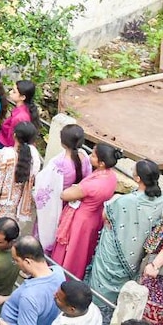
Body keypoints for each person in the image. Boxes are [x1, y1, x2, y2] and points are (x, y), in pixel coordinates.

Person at [85, 159, 163, 308]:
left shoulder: (123, 201)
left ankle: (96, 310)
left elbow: (106, 216)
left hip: (112, 254)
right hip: (136, 256)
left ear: (138, 178)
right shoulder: (160, 200)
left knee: (101, 285)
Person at [51, 144, 121, 279]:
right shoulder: (111, 176)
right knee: (82, 252)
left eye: (93, 156)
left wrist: (74, 187)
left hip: (79, 221)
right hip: (93, 218)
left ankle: (61, 276)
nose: (90, 157)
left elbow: (64, 195)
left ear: (101, 163)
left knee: (70, 252)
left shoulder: (92, 185)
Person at [0, 236, 65, 325]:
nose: (15, 264)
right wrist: (5, 299)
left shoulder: (29, 297)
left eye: (16, 260)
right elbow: (39, 303)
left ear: (27, 262)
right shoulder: (58, 272)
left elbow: (31, 301)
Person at [0, 122, 40, 244]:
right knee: (7, 229)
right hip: (16, 201)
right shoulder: (34, 156)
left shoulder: (6, 153)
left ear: (14, 135)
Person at [34, 125, 92, 252]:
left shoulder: (58, 164)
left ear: (62, 142)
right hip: (72, 203)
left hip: (57, 202)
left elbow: (43, 187)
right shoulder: (85, 156)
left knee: (46, 231)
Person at [0, 80, 40, 150]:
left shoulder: (20, 117)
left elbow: (12, 139)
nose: (10, 92)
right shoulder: (24, 110)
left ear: (22, 97)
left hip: (7, 145)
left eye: (14, 92)